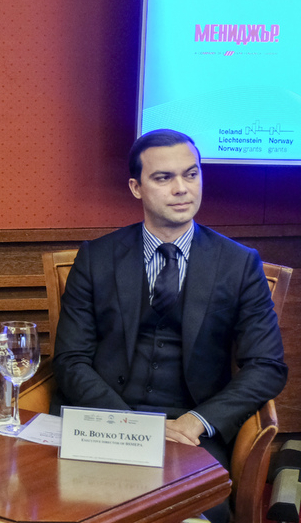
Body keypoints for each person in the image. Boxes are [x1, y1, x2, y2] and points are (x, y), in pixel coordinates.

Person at [53, 128, 287, 523]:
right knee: (70, 506)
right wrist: (130, 425)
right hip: (105, 419)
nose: (182, 188)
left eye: (191, 174)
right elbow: (71, 360)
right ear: (136, 187)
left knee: (198, 513)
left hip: (190, 429)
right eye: (164, 178)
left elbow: (267, 366)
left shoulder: (238, 263)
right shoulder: (97, 257)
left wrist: (197, 421)